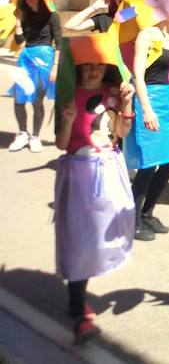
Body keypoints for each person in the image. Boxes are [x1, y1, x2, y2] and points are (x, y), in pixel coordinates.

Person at [54, 36, 136, 343]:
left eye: (97, 65)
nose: (92, 71)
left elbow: (121, 132)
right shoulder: (70, 96)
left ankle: (79, 295)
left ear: (106, 67)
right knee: (78, 240)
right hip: (78, 173)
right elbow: (62, 144)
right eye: (85, 66)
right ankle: (77, 308)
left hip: (110, 171)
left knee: (103, 237)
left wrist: (126, 105)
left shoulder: (112, 94)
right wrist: (66, 121)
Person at [125, 0, 169, 241]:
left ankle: (148, 212)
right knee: (149, 164)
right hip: (149, 100)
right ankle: (133, 219)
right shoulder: (147, 35)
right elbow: (138, 75)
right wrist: (147, 108)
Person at [10, 0, 61, 153]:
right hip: (26, 57)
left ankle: (35, 136)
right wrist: (17, 20)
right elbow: (19, 40)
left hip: (45, 58)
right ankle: (22, 133)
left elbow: (59, 42)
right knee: (19, 98)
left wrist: (55, 66)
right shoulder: (24, 14)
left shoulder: (52, 15)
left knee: (37, 99)